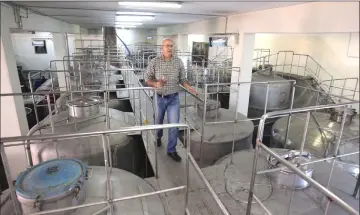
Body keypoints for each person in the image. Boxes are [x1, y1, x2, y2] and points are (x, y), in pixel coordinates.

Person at [145, 38, 197, 162]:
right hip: (159, 98)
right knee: (159, 120)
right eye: (167, 45)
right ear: (161, 48)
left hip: (174, 98)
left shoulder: (178, 62)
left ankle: (171, 150)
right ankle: (158, 136)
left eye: (171, 46)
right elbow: (147, 79)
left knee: (174, 125)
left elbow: (182, 79)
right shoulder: (155, 62)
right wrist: (156, 84)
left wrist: (188, 87)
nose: (169, 48)